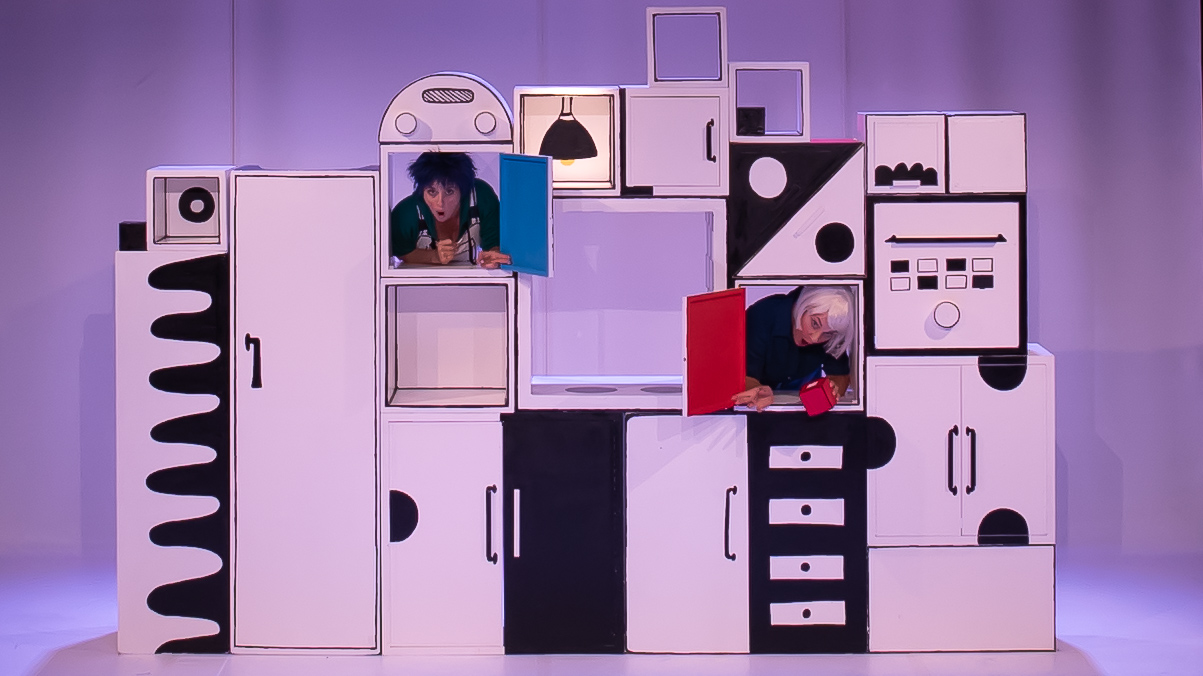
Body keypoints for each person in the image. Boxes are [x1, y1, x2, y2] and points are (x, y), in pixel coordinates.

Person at [733, 285, 854, 412]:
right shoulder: (762, 316)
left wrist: (833, 390)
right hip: (761, 393)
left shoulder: (834, 329)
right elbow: (742, 377)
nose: (815, 338)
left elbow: (840, 374)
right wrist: (758, 391)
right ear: (803, 306)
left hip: (801, 391)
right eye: (814, 323)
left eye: (827, 334)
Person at [389, 152, 511, 269]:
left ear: (463, 191)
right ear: (422, 191)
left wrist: (493, 256)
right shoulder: (406, 213)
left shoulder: (481, 197)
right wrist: (434, 257)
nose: (440, 202)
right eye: (432, 192)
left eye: (449, 191)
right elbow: (401, 252)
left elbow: (494, 243)